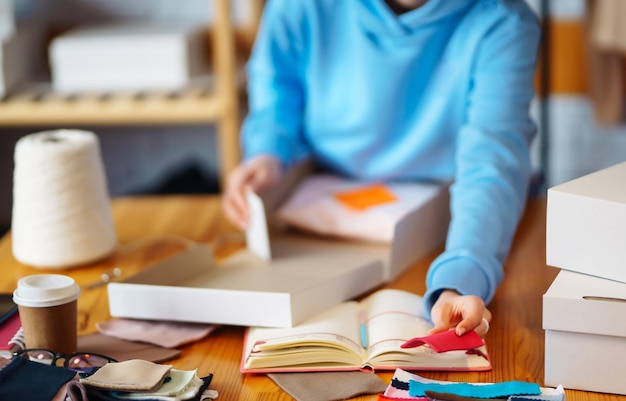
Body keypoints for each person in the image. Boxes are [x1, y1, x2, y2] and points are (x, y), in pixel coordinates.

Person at [223, 0, 541, 338]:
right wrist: (268, 151)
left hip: (453, 223)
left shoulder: (503, 22)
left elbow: (491, 159)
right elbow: (277, 87)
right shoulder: (298, 6)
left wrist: (460, 280)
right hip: (315, 204)